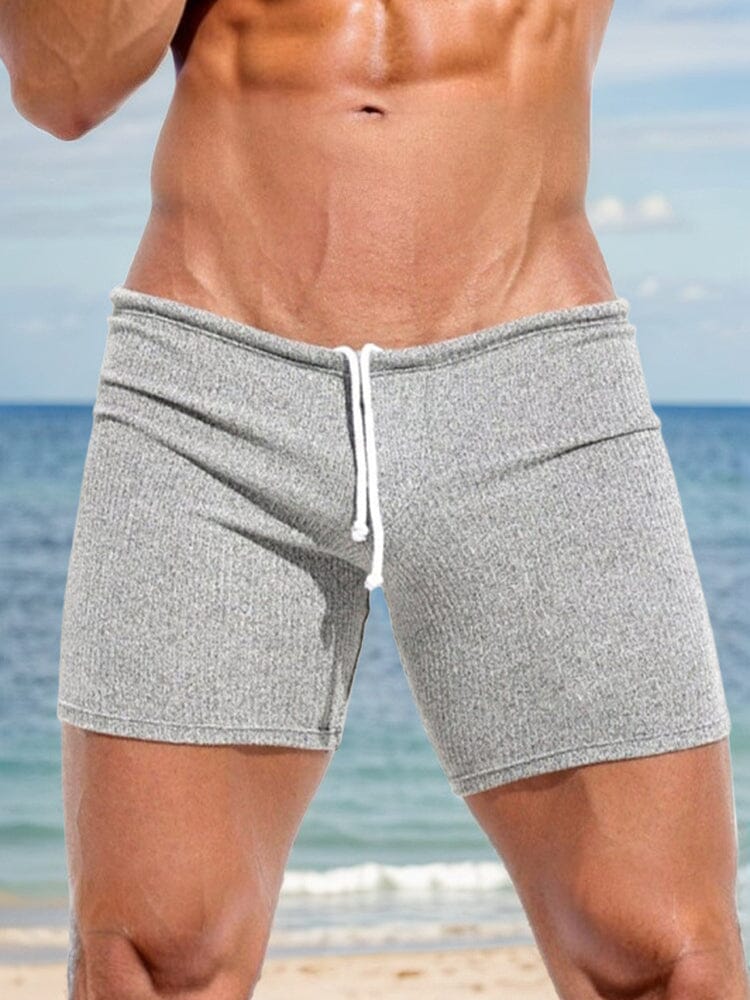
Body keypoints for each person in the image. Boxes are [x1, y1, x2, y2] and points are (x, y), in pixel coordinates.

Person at [2, 1, 747, 997]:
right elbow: (60, 88)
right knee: (152, 956)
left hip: (534, 386)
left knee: (667, 958)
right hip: (213, 391)